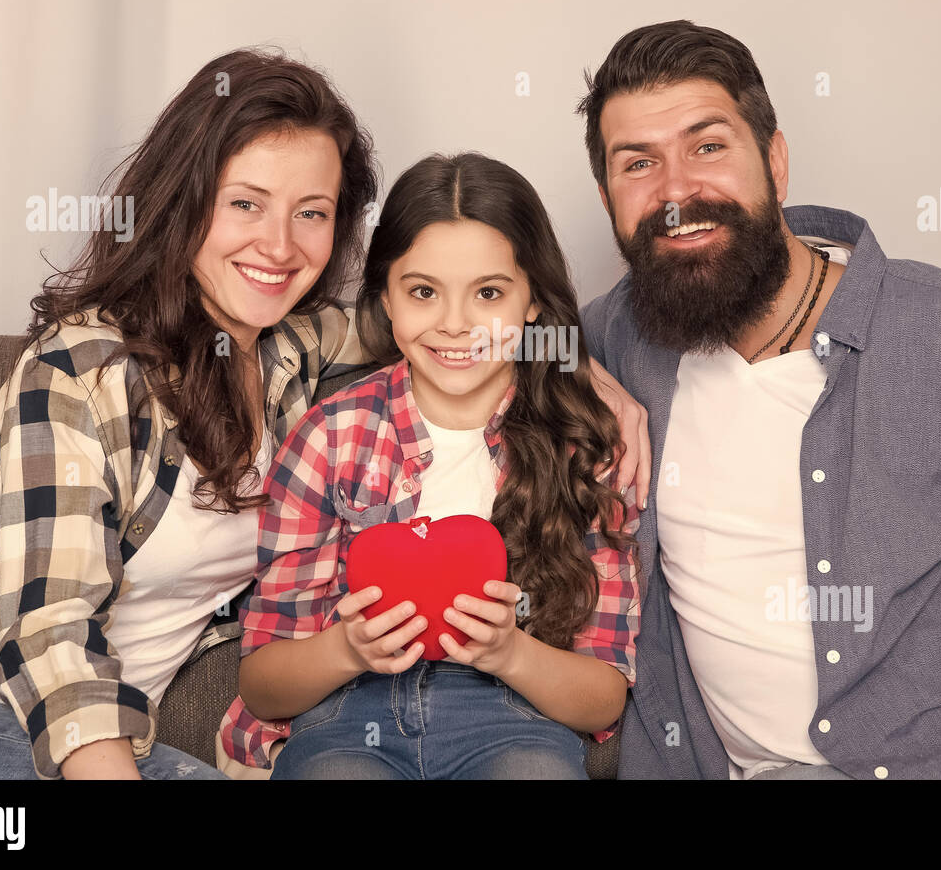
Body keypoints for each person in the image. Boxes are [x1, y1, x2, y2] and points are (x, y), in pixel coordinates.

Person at [575, 19, 941, 779]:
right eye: (638, 164)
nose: (676, 192)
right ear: (606, 199)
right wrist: (567, 370)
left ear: (776, 161)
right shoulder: (621, 338)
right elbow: (465, 328)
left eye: (709, 146)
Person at [0, 48, 383, 780]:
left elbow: (433, 315)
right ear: (185, 199)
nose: (279, 244)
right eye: (245, 202)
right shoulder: (80, 368)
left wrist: (575, 366)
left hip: (98, 733)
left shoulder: (290, 348)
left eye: (312, 213)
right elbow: (54, 636)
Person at [217, 152, 641, 779]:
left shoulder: (582, 446)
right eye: (422, 292)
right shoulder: (332, 436)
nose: (455, 324)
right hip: (347, 714)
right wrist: (346, 647)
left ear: (532, 302)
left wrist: (509, 652)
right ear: (386, 299)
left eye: (489, 293)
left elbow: (603, 693)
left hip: (510, 714)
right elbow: (263, 683)